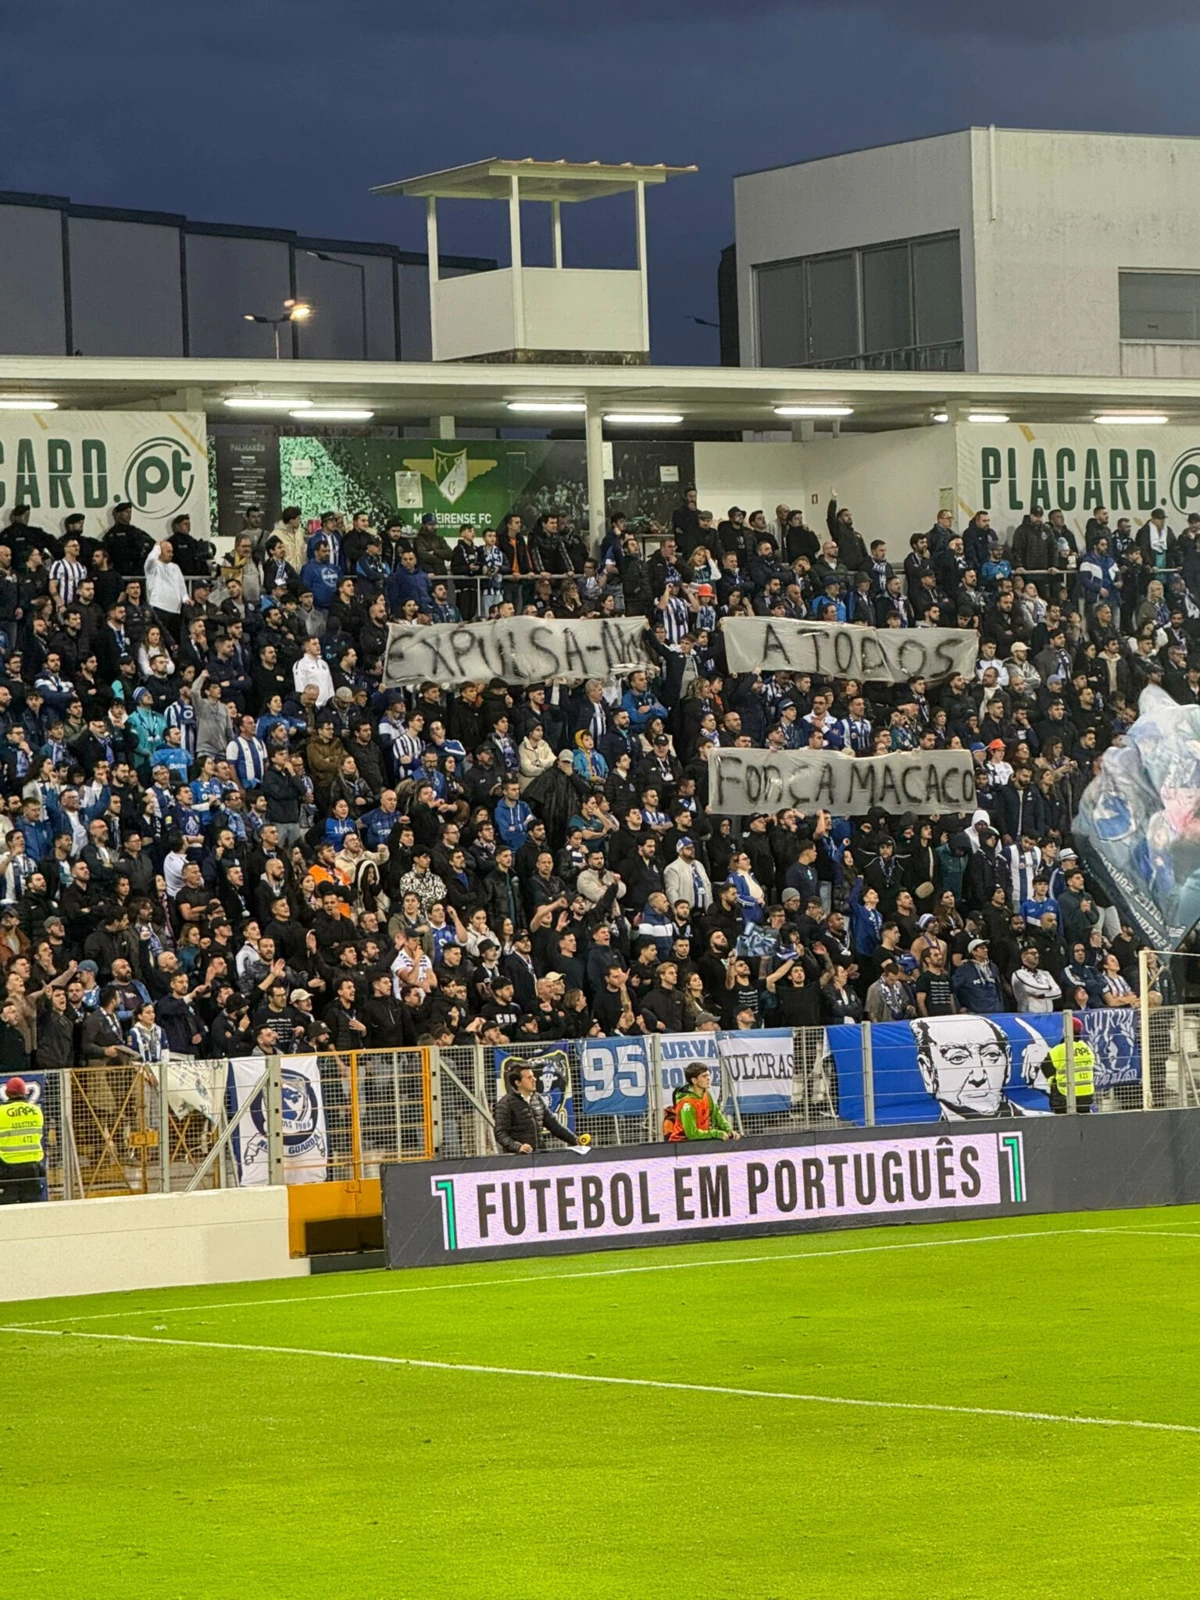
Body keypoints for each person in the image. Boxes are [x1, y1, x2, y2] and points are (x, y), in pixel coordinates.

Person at [493, 1063, 588, 1154]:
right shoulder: (505, 1104)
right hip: (517, 1159)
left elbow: (554, 1125)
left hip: (539, 1154)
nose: (534, 1079)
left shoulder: (537, 1099)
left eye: (533, 1076)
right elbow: (500, 1134)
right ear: (518, 1082)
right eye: (529, 1077)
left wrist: (575, 1140)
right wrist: (518, 1147)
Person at [665, 1061, 739, 1142]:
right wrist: (716, 1133)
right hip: (682, 1143)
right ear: (694, 1080)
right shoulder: (687, 1104)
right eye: (704, 1076)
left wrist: (728, 1130)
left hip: (700, 1140)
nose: (709, 1078)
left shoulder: (705, 1093)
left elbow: (715, 1113)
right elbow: (692, 1134)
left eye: (708, 1075)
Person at [0, 1076, 45, 1203]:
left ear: (7, 1093)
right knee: (32, 1210)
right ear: (25, 1092)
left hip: (7, 1168)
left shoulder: (1, 1112)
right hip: (32, 1168)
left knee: (7, 1211)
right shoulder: (36, 1111)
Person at [1046, 1015, 1096, 1114]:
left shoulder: (1059, 1049)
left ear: (1066, 1030)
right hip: (1086, 1094)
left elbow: (1046, 1070)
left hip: (1064, 1095)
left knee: (1053, 1079)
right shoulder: (1087, 1048)